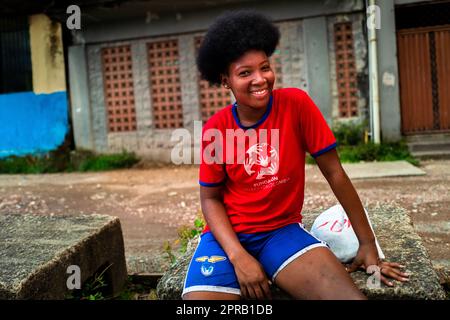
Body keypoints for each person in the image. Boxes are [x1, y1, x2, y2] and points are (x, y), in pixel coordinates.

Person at [182, 10, 409, 300]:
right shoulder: (217, 128)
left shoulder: (296, 105)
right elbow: (210, 199)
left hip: (281, 232)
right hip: (225, 240)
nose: (260, 79)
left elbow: (335, 173)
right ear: (225, 80)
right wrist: (238, 256)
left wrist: (367, 243)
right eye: (244, 73)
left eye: (264, 67)